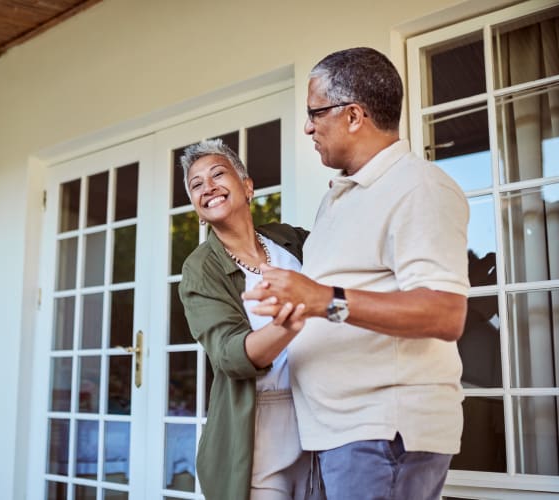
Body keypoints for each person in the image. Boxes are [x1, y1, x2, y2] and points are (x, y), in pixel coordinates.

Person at [243, 47, 470, 500]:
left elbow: (445, 314)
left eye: (314, 113)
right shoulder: (339, 197)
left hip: (384, 437)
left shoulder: (418, 187)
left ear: (353, 116)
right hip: (343, 435)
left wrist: (322, 298)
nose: (308, 126)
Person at [177, 139, 323, 500]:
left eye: (217, 174)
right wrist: (291, 320)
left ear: (247, 186)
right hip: (258, 424)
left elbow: (344, 264)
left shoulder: (289, 240)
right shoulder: (200, 268)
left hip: (320, 409)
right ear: (197, 208)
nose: (207, 187)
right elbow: (229, 356)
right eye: (196, 185)